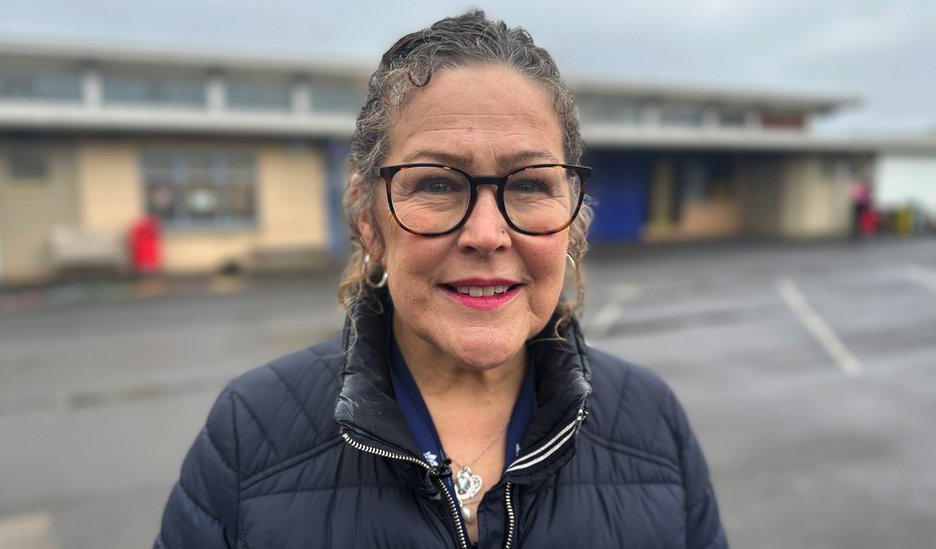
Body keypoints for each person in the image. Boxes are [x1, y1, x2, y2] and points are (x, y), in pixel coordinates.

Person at [156, 11, 726, 548]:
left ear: (573, 218)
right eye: (435, 184)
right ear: (366, 218)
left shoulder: (653, 424)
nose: (486, 234)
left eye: (529, 185)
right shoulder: (249, 433)